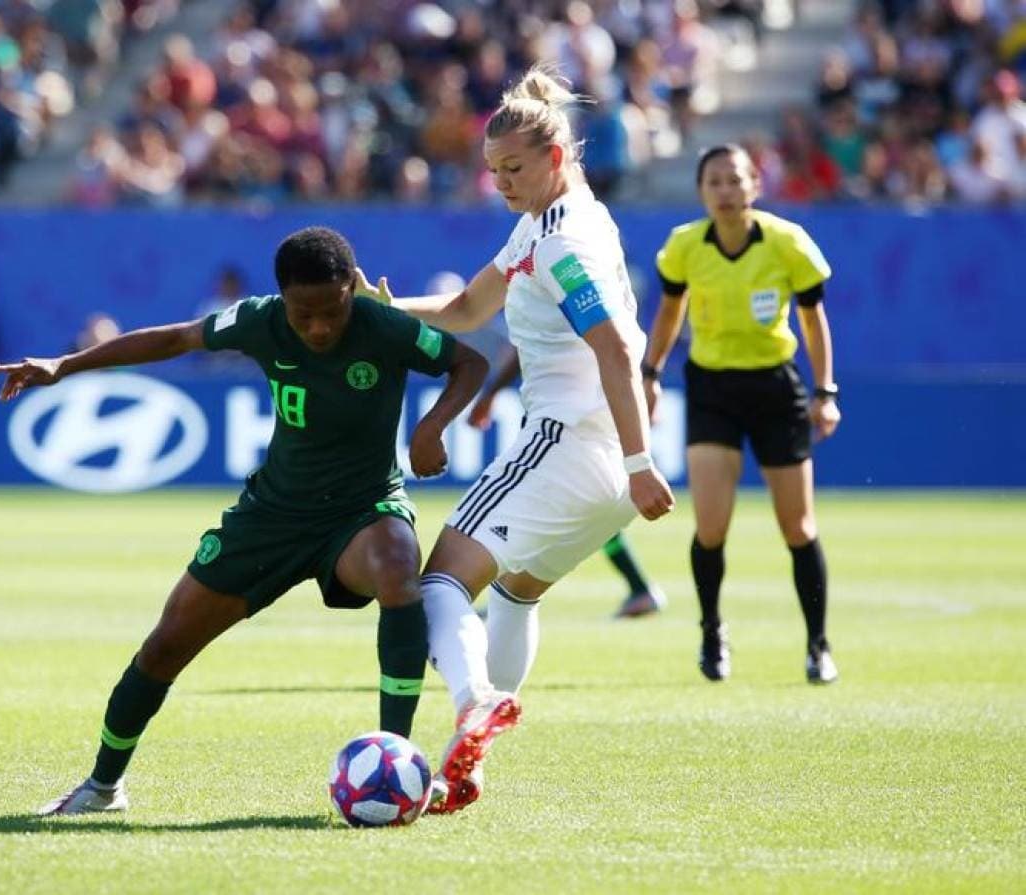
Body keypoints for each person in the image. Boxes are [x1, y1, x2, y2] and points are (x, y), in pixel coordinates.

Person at [0, 226, 488, 815]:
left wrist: (431, 427)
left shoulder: (387, 328)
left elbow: (470, 362)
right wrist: (65, 365)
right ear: (283, 301)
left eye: (332, 310)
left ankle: (398, 761)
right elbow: (174, 339)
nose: (321, 327)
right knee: (167, 644)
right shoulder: (259, 320)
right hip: (273, 515)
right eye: (305, 315)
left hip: (361, 511)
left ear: (353, 290)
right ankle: (103, 786)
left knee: (397, 565)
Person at [357, 65, 674, 814]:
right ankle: (464, 758)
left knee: (433, 580)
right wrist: (392, 308)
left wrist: (640, 463)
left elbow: (618, 350)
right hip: (600, 467)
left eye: (515, 168)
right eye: (494, 170)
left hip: (568, 442)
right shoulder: (548, 221)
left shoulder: (563, 245)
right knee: (516, 589)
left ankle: (472, 702)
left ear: (556, 159)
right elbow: (469, 308)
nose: (501, 182)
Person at [640, 143, 841, 686]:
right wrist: (651, 374)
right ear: (702, 191)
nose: (726, 192)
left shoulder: (787, 242)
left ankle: (817, 644)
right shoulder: (684, 246)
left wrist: (824, 392)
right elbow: (668, 314)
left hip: (776, 389)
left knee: (797, 526)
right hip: (712, 390)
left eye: (735, 180)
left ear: (755, 184)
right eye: (714, 183)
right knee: (710, 525)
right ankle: (711, 632)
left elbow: (813, 320)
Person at [466, 345, 667, 618]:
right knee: (588, 508)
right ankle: (639, 587)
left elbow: (523, 345)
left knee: (533, 503)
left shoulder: (558, 308)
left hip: (568, 414)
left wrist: (491, 391)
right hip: (589, 410)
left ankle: (505, 600)